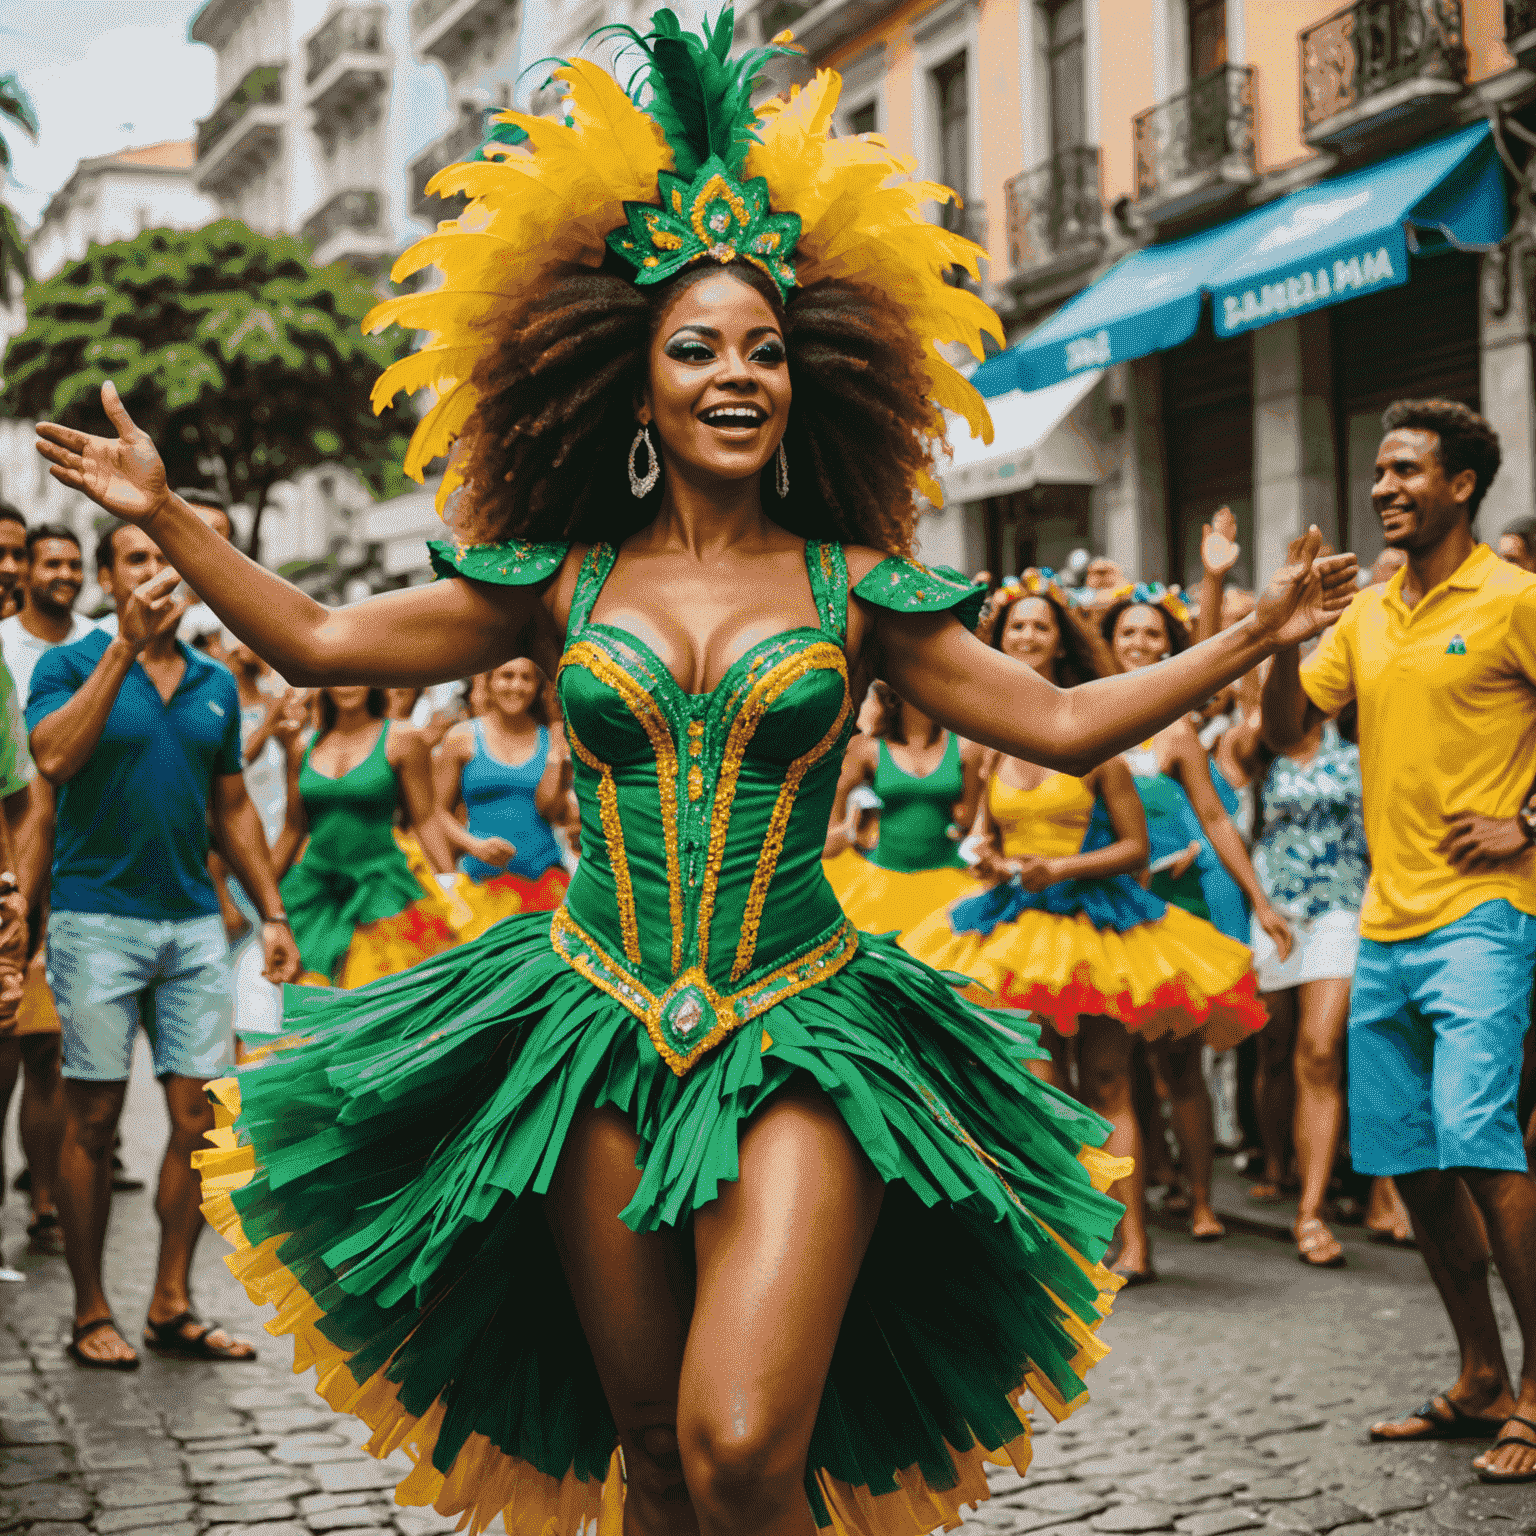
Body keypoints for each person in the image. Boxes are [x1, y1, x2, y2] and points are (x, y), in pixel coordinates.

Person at [34, 14, 1357, 1526]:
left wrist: (1246, 635)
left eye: (767, 349)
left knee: (740, 1443)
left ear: (810, 382)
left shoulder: (863, 588)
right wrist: (179, 519)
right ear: (632, 382)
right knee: (651, 1449)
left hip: (804, 1029)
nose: (739, 374)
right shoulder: (562, 578)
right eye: (698, 347)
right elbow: (329, 639)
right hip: (592, 1030)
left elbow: (1058, 725)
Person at [1263, 398, 1536, 1485]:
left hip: (1489, 911)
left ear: (1461, 485)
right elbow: (1289, 733)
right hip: (1385, 921)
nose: (1382, 488)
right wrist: (1284, 643)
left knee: (1476, 1134)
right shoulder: (1370, 613)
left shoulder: (1516, 600)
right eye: (1377, 471)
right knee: (1413, 1164)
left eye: (1406, 471)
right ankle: (1479, 1376)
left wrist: (1529, 821)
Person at [906, 572, 1265, 1284]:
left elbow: (1136, 848)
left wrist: (1061, 869)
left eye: (1040, 627)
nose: (1028, 638)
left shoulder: (1099, 737)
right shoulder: (985, 742)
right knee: (1042, 1088)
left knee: (1108, 1082)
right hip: (1014, 930)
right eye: (1015, 629)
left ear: (1060, 643)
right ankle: (1074, 1240)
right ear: (999, 642)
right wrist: (988, 859)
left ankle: (1135, 1242)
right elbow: (979, 834)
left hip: (1095, 928)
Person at [25, 519, 300, 1370]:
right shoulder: (67, 663)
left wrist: (273, 911)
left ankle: (172, 1302)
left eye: (168, 555)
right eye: (138, 557)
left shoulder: (217, 683)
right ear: (109, 577)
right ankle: (90, 1308)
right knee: (95, 1118)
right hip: (94, 917)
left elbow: (233, 809)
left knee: (197, 1118)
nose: (158, 570)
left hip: (192, 923)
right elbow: (52, 758)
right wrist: (121, 655)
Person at [1102, 584, 1290, 1240]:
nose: (1140, 644)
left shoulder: (1176, 729)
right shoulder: (1086, 716)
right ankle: (1139, 1204)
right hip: (1104, 913)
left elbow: (1215, 816)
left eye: (1154, 635)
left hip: (1169, 913)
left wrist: (1260, 901)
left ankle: (1203, 1198)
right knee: (1116, 1071)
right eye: (1129, 633)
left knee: (1178, 1065)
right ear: (1109, 641)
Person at [1220, 699, 1368, 1266]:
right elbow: (1225, 794)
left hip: (1342, 907)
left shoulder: (1356, 742)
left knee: (1321, 1049)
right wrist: (1258, 903)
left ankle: (1312, 1210)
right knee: (1275, 1048)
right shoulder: (1259, 747)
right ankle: (1278, 1161)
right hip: (1275, 911)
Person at [273, 685, 460, 986]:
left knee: (376, 996)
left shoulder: (402, 739)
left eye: (357, 676)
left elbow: (426, 819)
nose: (348, 686)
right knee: (313, 1008)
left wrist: (451, 881)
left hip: (381, 891)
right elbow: (292, 829)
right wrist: (264, 897)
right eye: (339, 677)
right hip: (316, 892)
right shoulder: (302, 746)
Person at [822, 681, 982, 939]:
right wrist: (851, 826)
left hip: (948, 876)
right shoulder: (866, 748)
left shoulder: (966, 747)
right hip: (881, 880)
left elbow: (969, 818)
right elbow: (832, 816)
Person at [433, 655, 571, 942]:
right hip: (480, 885)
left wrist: (557, 751)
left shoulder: (550, 739)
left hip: (543, 883)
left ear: (537, 686)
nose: (516, 686)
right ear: (489, 681)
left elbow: (551, 810)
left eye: (526, 677)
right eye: (507, 676)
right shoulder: (462, 737)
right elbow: (435, 812)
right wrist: (474, 845)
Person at [0, 524, 96, 707]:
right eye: (53, 564)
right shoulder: (3, 643)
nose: (66, 574)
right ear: (25, 571)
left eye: (75, 566)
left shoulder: (98, 640)